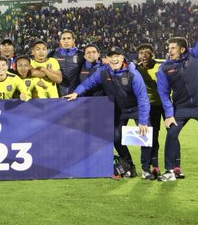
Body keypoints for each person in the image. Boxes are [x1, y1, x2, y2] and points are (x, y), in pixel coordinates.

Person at [65, 46, 150, 179]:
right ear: (107, 59)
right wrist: (76, 92)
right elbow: (88, 83)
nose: (114, 59)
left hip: (137, 109)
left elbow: (143, 98)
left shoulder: (133, 74)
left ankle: (146, 169)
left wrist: (143, 121)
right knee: (115, 138)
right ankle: (129, 166)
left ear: (122, 58)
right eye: (111, 56)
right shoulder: (103, 72)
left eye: (117, 56)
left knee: (145, 137)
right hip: (119, 110)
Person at [157, 8, 198, 182]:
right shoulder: (165, 68)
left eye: (173, 48)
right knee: (171, 134)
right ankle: (170, 171)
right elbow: (163, 93)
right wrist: (169, 115)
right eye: (169, 48)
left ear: (183, 49)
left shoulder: (195, 55)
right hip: (181, 109)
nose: (169, 51)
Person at [135, 43, 165, 180]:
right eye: (141, 53)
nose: (144, 55)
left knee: (173, 134)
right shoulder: (136, 68)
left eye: (147, 52)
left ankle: (176, 167)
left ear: (153, 53)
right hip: (151, 107)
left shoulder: (162, 65)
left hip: (165, 104)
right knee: (153, 136)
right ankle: (155, 165)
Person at [50, 29, 85, 96]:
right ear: (60, 41)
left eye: (69, 38)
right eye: (64, 39)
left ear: (73, 40)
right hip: (58, 94)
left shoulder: (81, 55)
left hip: (75, 94)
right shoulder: (53, 54)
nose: (66, 41)